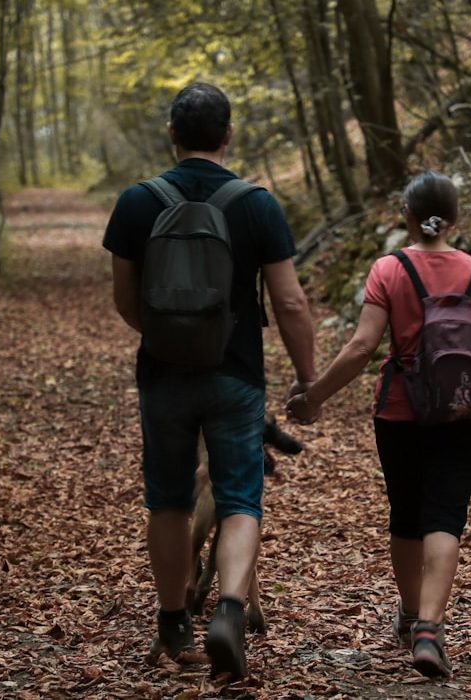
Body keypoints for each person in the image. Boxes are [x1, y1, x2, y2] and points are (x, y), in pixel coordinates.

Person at [103, 82, 316, 680]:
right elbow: (291, 303)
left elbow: (124, 299)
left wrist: (168, 336)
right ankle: (227, 610)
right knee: (241, 496)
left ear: (172, 133)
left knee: (167, 499)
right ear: (228, 135)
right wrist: (307, 380)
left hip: (162, 377)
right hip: (237, 377)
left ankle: (173, 619)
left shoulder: (136, 203)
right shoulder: (257, 204)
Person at [286, 170, 471, 678]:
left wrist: (314, 397)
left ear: (406, 215)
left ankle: (408, 617)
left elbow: (362, 347)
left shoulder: (389, 269)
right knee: (445, 516)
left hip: (401, 412)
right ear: (455, 219)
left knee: (406, 516)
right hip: (469, 416)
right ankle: (431, 626)